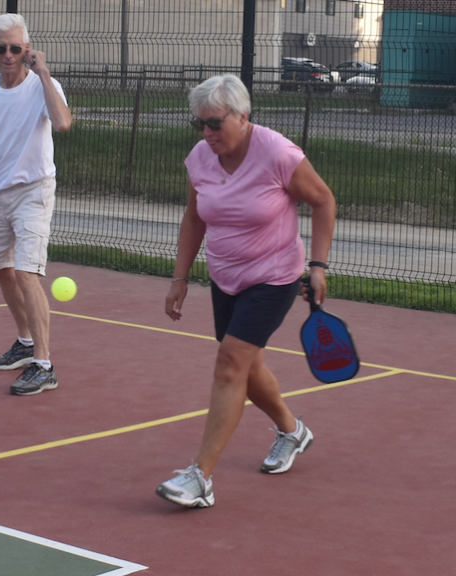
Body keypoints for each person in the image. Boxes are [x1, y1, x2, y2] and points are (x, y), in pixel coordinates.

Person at [156, 75, 337, 508]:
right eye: (199, 124)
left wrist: (318, 266)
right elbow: (195, 218)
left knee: (230, 361)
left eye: (215, 123)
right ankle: (293, 431)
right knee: (247, 367)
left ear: (243, 116)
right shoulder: (200, 158)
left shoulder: (277, 153)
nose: (206, 133)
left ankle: (200, 478)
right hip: (225, 277)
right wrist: (180, 278)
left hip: (274, 276)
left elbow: (324, 200)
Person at [0, 13, 72, 396]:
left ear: (27, 49)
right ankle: (24, 342)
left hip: (35, 189)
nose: (9, 55)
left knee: (26, 273)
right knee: (2, 269)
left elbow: (63, 123)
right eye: (2, 48)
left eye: (16, 48)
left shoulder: (43, 86)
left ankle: (43, 364)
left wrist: (44, 74)